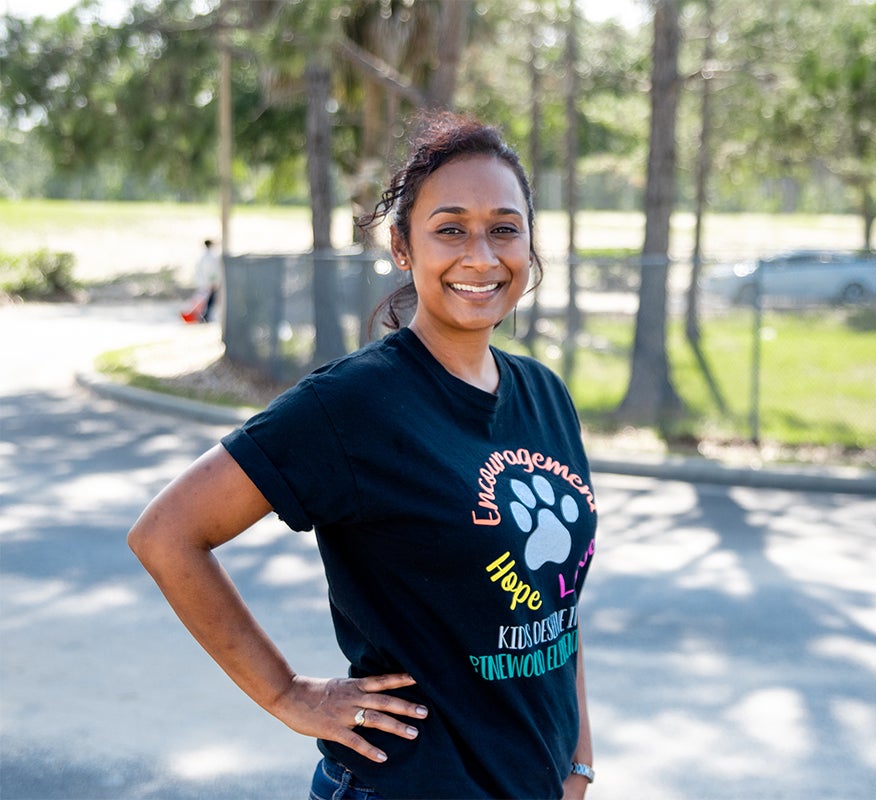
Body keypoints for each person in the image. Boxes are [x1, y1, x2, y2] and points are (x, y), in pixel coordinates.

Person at [128, 112, 598, 800]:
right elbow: (167, 534)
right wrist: (287, 693)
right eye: (449, 228)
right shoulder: (354, 404)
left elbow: (557, 607)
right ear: (403, 248)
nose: (481, 255)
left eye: (504, 227)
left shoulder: (545, 395)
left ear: (529, 244)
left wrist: (578, 760)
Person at [183, 239, 222, 323]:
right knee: (208, 301)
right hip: (208, 283)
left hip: (203, 282)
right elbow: (211, 271)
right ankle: (204, 317)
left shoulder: (203, 257)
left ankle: (203, 316)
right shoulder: (210, 257)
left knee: (205, 300)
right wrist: (213, 282)